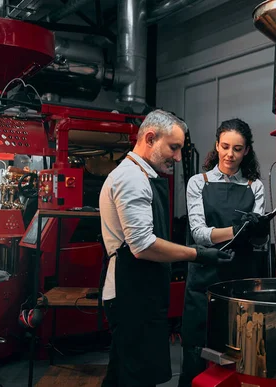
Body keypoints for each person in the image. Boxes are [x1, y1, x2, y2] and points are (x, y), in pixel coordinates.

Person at [99, 109, 234, 387]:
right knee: (134, 377)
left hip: (141, 289)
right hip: (130, 293)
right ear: (150, 137)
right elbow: (143, 245)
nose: (176, 157)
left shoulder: (142, 175)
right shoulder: (132, 178)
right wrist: (198, 254)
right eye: (173, 148)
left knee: (124, 373)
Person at [178, 118, 271, 387]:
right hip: (204, 278)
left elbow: (256, 241)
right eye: (226, 146)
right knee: (196, 353)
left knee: (238, 352)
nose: (231, 154)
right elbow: (199, 233)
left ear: (247, 151)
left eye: (238, 149)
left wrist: (259, 230)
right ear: (217, 146)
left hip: (240, 279)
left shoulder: (255, 186)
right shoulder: (198, 183)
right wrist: (240, 229)